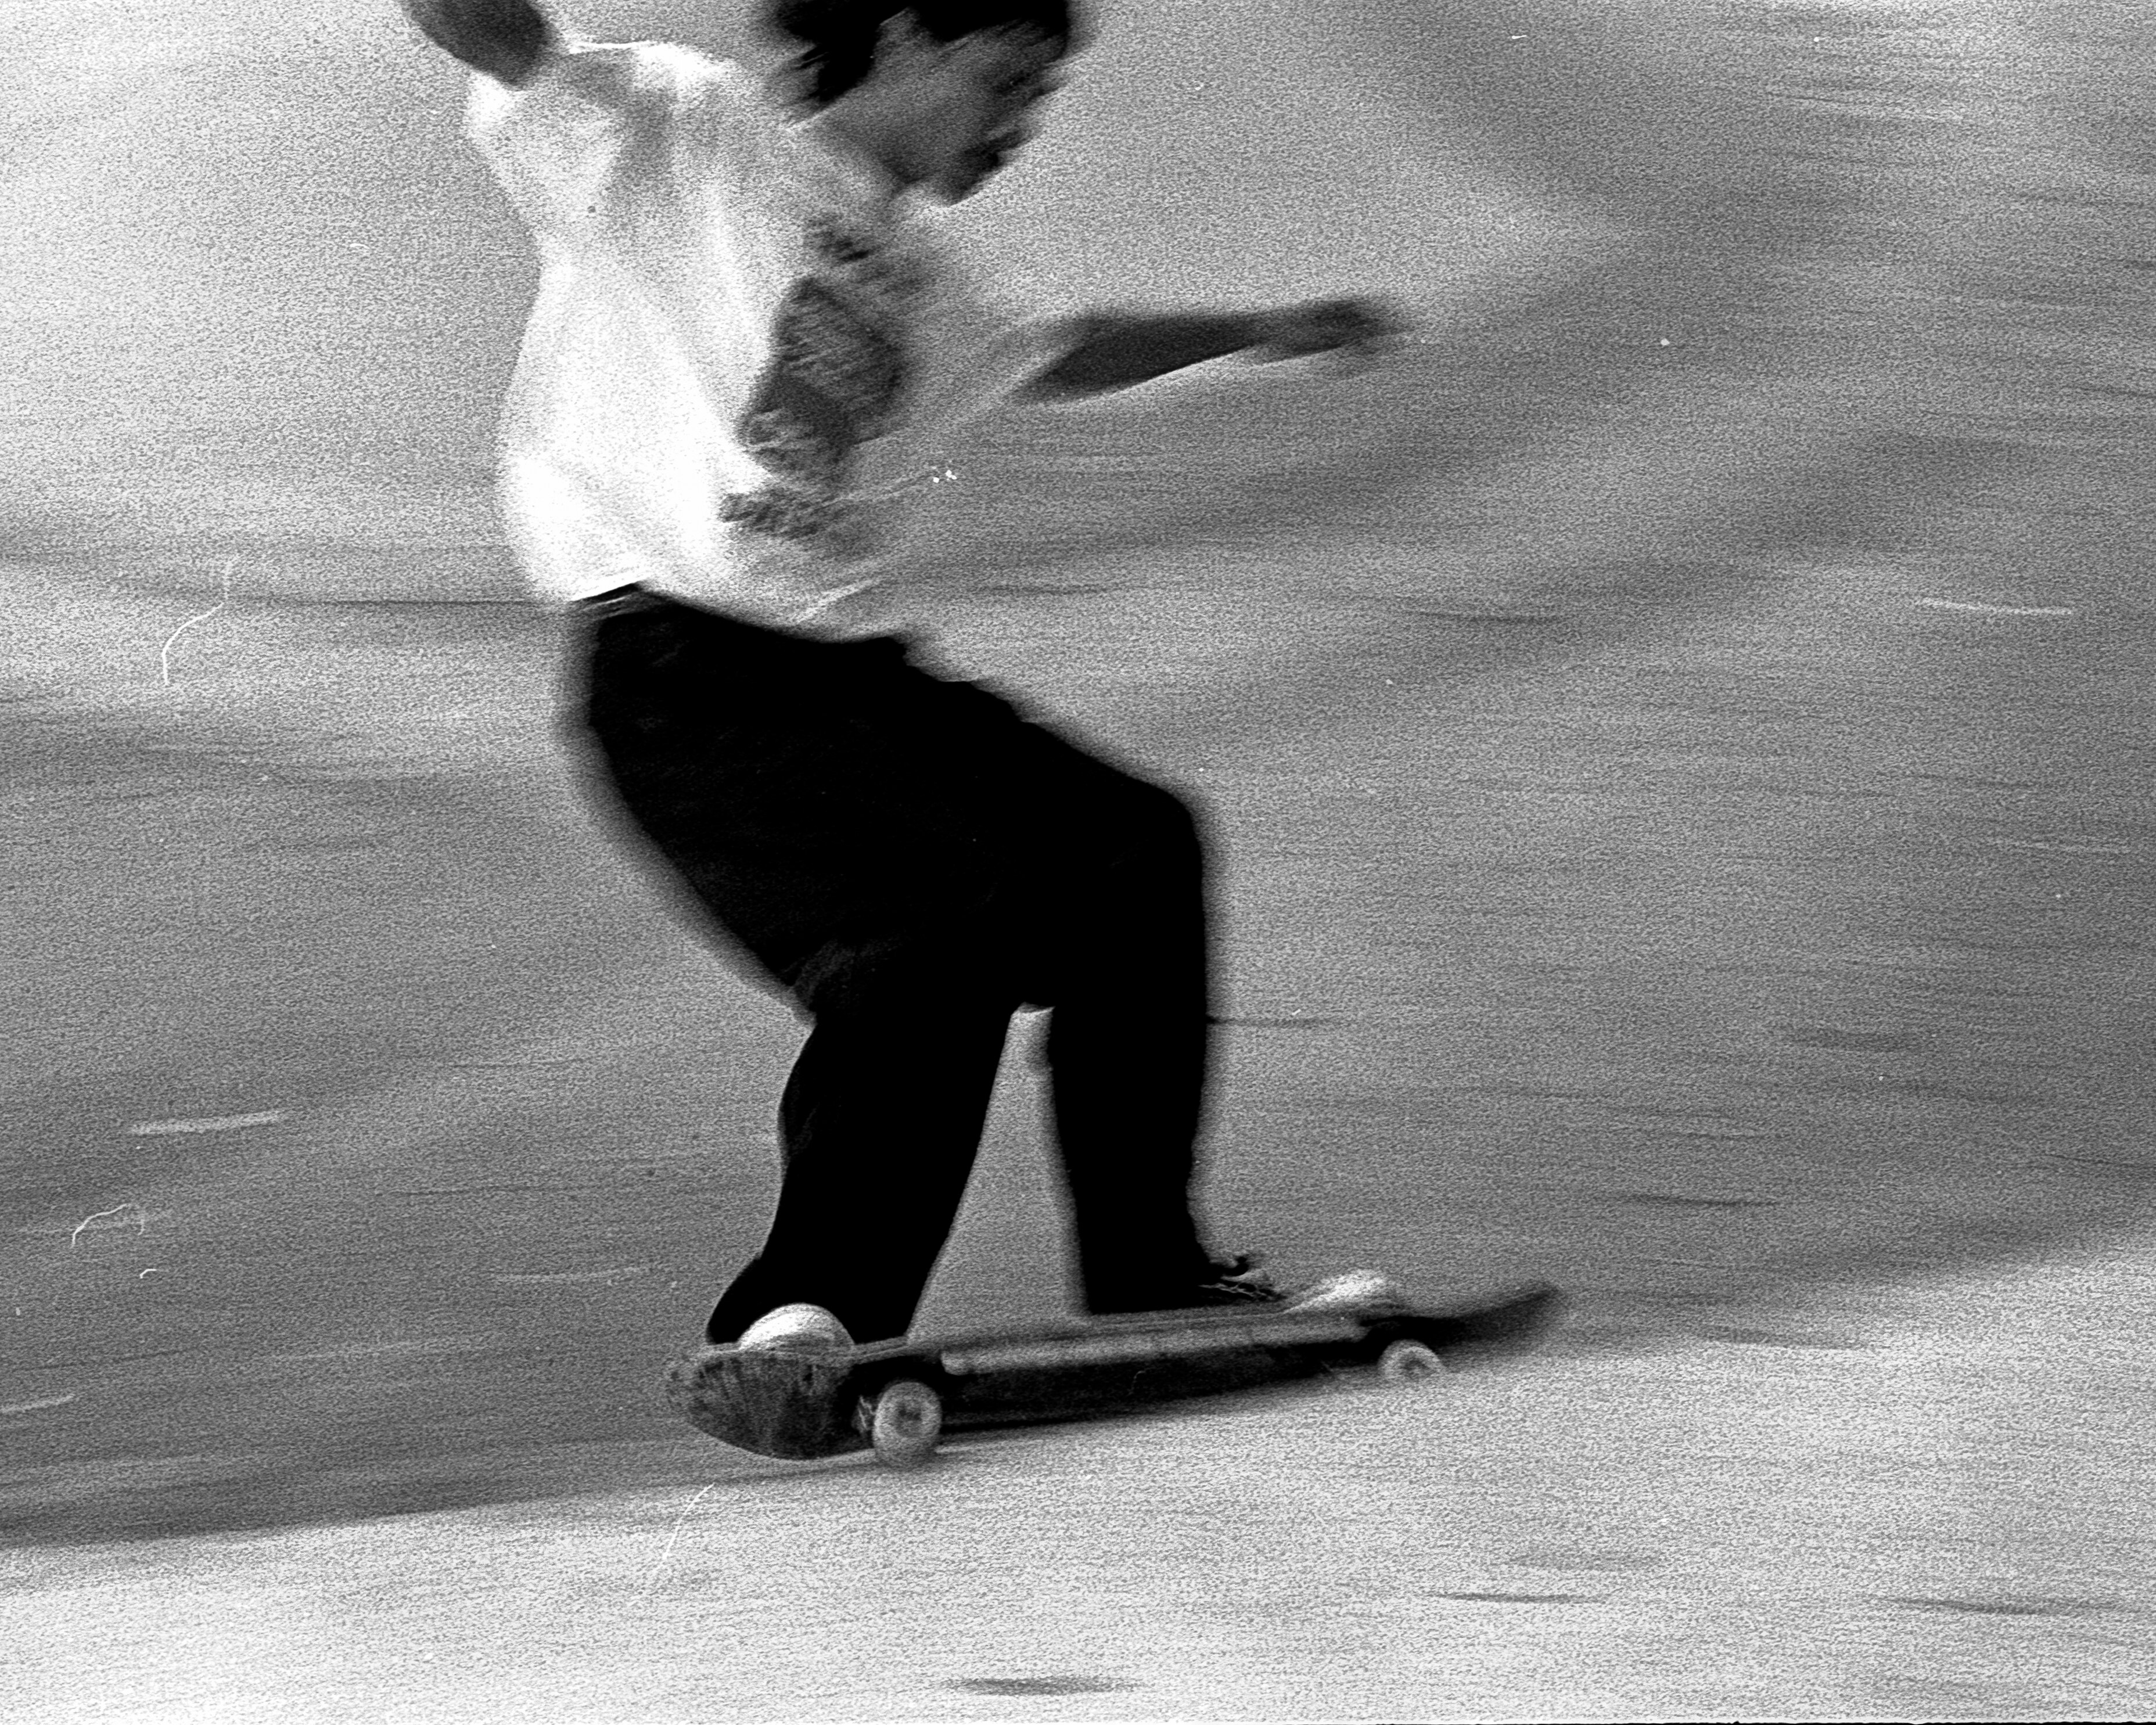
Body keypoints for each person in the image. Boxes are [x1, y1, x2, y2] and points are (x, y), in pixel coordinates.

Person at [395, 0, 1406, 1349]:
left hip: (853, 689)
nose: (1021, 128)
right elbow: (498, 38)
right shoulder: (687, 129)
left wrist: (1261, 329)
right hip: (683, 680)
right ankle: (811, 1322)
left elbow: (1062, 351)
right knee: (918, 955)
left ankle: (1150, 1277)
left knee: (1135, 850)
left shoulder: (922, 279)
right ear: (909, 38)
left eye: (1040, 102)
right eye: (1005, 80)